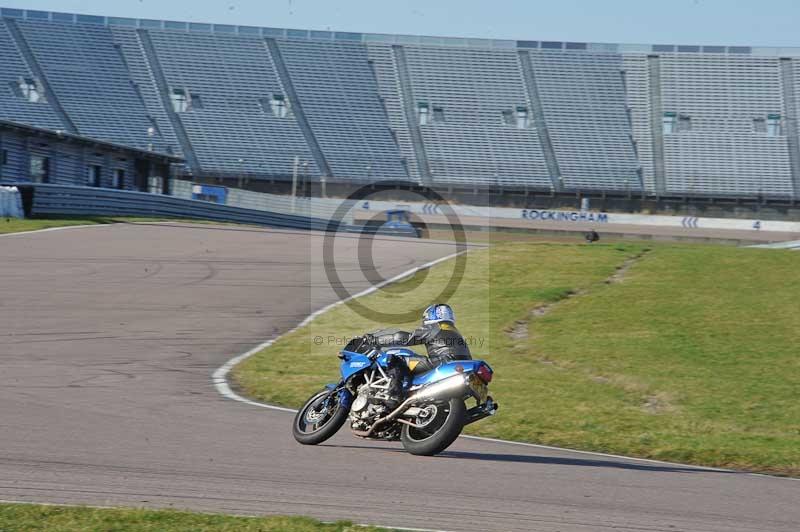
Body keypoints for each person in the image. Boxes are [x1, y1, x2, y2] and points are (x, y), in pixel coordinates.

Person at [366, 303, 471, 407]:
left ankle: (394, 394)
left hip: (442, 362)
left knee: (396, 359)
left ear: (432, 315)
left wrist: (375, 340)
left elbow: (404, 338)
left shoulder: (435, 327)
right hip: (460, 367)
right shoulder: (455, 332)